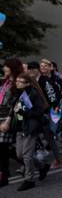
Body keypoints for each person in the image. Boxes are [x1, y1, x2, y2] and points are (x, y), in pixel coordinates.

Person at [13, 74, 49, 191]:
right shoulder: (18, 93)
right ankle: (42, 166)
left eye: (21, 81)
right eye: (17, 81)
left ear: (28, 83)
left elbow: (38, 111)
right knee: (19, 154)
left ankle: (29, 180)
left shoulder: (33, 94)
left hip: (30, 128)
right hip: (20, 127)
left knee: (27, 156)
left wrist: (24, 113)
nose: (17, 83)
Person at [0, 58, 23, 187]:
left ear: (12, 67)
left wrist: (8, 120)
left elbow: (15, 103)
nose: (4, 68)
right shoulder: (6, 81)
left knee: (2, 148)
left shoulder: (17, 82)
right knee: (5, 149)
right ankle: (40, 165)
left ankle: (4, 176)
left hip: (8, 117)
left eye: (6, 66)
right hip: (1, 116)